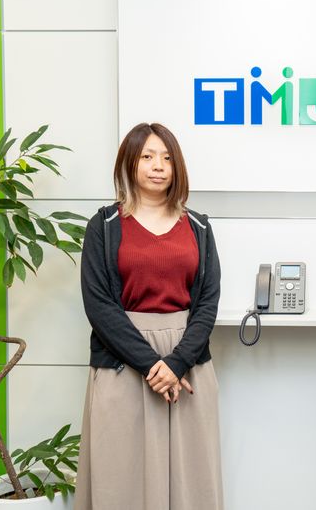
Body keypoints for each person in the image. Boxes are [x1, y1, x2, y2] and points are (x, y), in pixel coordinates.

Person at [75, 123, 223, 510]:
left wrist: (176, 363)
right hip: (122, 361)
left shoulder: (199, 226)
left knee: (192, 483)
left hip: (187, 364)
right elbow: (98, 305)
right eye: (147, 156)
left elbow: (208, 302)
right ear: (130, 162)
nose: (158, 165)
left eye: (167, 158)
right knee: (120, 480)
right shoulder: (104, 226)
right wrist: (152, 365)